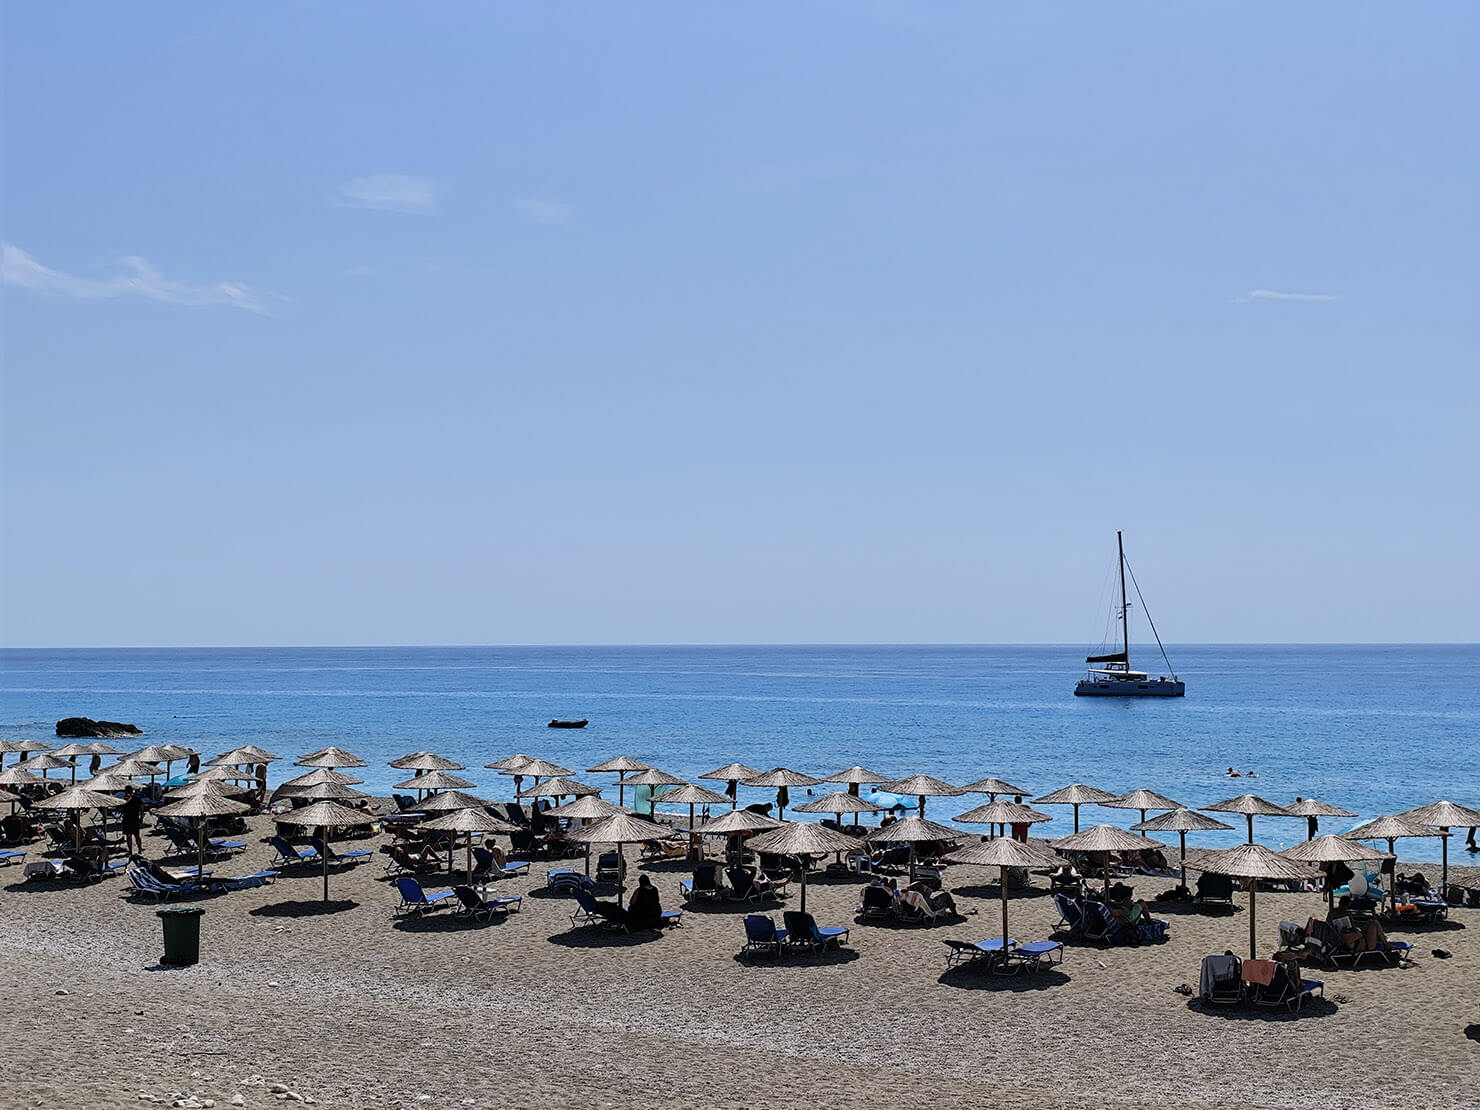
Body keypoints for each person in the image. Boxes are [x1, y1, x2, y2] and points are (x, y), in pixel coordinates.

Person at [120, 785, 143, 856]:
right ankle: (139, 849)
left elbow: (120, 810)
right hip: (135, 819)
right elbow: (141, 809)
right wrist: (141, 817)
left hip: (127, 819)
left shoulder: (124, 799)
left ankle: (130, 851)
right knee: (137, 835)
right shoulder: (137, 799)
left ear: (126, 791)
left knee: (129, 836)